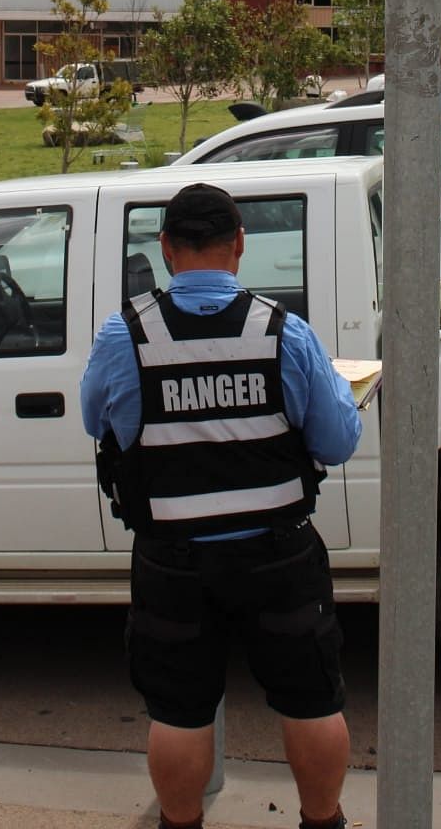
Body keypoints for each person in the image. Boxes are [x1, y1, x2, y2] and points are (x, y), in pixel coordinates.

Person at [81, 182, 361, 829]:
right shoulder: (283, 333)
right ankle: (322, 822)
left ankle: (180, 824)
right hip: (278, 553)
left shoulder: (124, 335)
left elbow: (100, 422)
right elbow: (336, 443)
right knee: (311, 700)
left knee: (179, 711)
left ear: (165, 248)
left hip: (172, 558)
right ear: (239, 244)